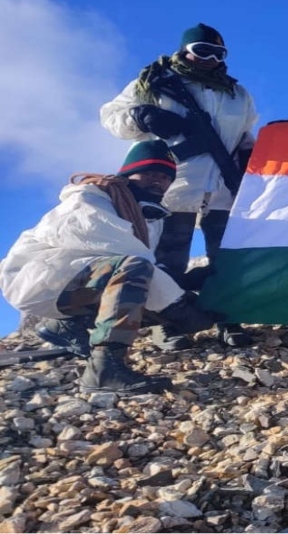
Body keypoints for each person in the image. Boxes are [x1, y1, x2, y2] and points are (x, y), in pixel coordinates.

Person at [0, 142, 219, 393]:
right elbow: (129, 259)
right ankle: (105, 370)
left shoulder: (146, 216)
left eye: (164, 176)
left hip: (73, 281)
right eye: (148, 173)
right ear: (127, 175)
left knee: (151, 289)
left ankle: (66, 324)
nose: (157, 181)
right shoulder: (90, 200)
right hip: (38, 279)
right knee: (139, 275)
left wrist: (184, 286)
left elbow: (141, 269)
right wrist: (180, 305)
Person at [100, 23, 258, 349]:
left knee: (225, 258)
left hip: (222, 187)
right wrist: (141, 116)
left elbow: (245, 135)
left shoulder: (237, 94)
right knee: (169, 257)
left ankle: (229, 319)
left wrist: (249, 159)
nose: (210, 59)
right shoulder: (156, 83)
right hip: (173, 182)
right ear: (185, 51)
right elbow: (111, 115)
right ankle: (167, 325)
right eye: (202, 50)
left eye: (218, 53)